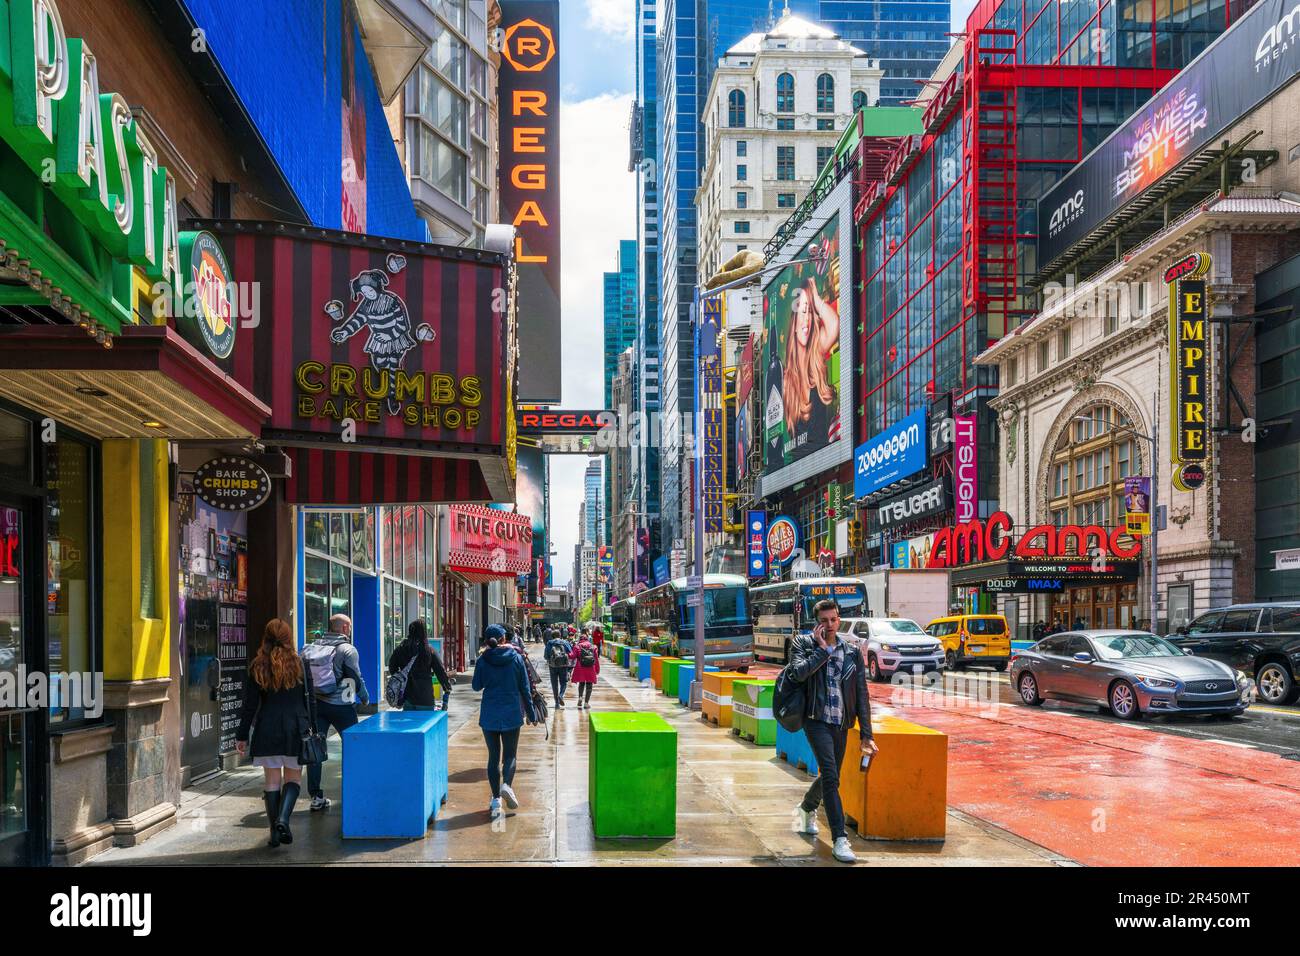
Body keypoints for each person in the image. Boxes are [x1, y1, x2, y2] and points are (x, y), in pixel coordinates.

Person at [787, 598, 877, 865]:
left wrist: (867, 734)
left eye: (833, 619)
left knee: (832, 776)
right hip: (815, 720)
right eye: (824, 621)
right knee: (829, 774)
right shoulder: (802, 644)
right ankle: (839, 838)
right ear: (816, 623)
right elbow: (797, 674)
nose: (829, 625)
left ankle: (806, 808)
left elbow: (861, 693)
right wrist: (822, 650)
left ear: (839, 620)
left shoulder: (850, 651)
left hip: (841, 722)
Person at [236, 618, 314, 848]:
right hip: (295, 729)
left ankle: (274, 834)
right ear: (288, 638)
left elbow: (250, 705)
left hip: (267, 728)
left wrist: (241, 735)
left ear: (266, 637)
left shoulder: (257, 665)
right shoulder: (300, 664)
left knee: (271, 781)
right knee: (294, 778)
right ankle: (283, 819)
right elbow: (310, 702)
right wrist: (315, 730)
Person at [301, 613, 370, 812]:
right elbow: (355, 676)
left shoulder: (312, 647)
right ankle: (357, 788)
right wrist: (364, 697)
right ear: (345, 628)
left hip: (317, 705)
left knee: (316, 750)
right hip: (342, 706)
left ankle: (315, 797)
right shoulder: (347, 650)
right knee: (354, 746)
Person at [471, 624, 537, 818]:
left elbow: (476, 686)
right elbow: (525, 688)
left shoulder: (483, 660)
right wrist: (531, 714)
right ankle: (507, 785)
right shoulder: (516, 658)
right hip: (511, 713)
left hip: (490, 713)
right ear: (503, 640)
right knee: (510, 755)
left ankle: (495, 798)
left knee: (493, 757)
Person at [782, 277, 840, 441]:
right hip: (800, 464)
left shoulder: (816, 353)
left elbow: (834, 325)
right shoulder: (786, 380)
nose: (807, 319)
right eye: (803, 311)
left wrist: (815, 297)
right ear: (793, 323)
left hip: (828, 458)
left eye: (810, 311)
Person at [388, 620, 453, 711]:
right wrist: (447, 688)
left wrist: (402, 677)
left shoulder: (401, 649)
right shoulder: (429, 651)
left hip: (408, 697)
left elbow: (392, 666)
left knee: (409, 724)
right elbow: (440, 672)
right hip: (425, 698)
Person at [569, 631, 600, 710]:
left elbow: (572, 656)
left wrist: (568, 651)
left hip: (580, 667)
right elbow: (596, 659)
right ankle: (586, 703)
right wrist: (597, 669)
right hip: (590, 668)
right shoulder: (593, 647)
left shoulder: (577, 646)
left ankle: (580, 697)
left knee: (581, 683)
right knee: (589, 685)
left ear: (580, 639)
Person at [544, 627, 574, 707]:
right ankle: (560, 695)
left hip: (552, 666)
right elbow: (571, 653)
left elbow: (546, 656)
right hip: (563, 665)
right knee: (563, 682)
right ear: (560, 635)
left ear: (552, 636)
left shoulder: (549, 643)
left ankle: (556, 703)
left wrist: (550, 659)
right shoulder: (564, 642)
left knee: (554, 684)